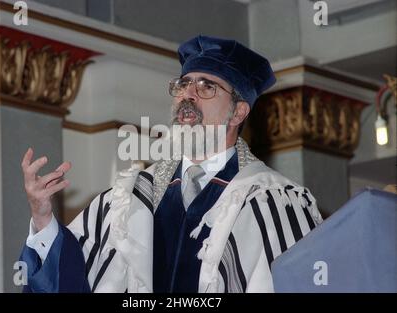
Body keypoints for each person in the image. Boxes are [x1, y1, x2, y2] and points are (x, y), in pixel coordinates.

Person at [20, 35, 323, 293]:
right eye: (183, 84)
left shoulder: (273, 203)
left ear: (238, 112)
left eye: (206, 87)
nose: (188, 95)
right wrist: (43, 218)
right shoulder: (126, 200)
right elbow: (68, 277)